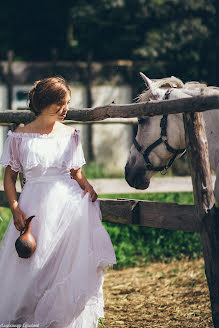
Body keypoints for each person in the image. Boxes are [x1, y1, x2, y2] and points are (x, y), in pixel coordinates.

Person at [0, 77, 117, 327]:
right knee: (32, 267)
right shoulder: (19, 136)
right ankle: (31, 319)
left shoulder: (71, 135)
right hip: (33, 208)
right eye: (60, 104)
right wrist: (15, 208)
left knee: (64, 266)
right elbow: (9, 179)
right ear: (43, 103)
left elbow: (76, 172)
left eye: (67, 104)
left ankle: (59, 320)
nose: (66, 109)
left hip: (68, 208)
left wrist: (87, 186)